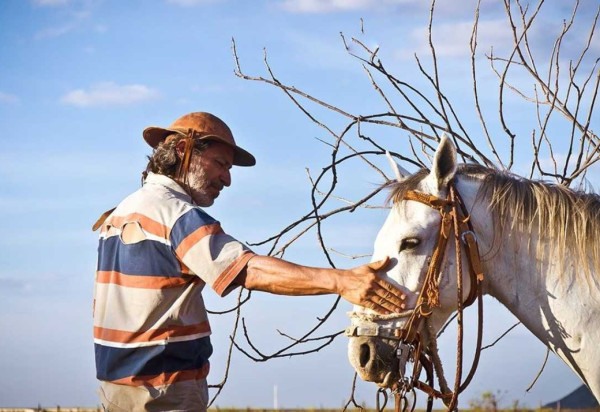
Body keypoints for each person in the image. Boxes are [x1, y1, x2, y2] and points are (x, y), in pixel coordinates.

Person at [92, 112, 406, 411]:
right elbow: (248, 269)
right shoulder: (177, 217)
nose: (226, 179)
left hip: (116, 389)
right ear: (182, 149)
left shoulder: (121, 213)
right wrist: (341, 281)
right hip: (163, 393)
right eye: (220, 164)